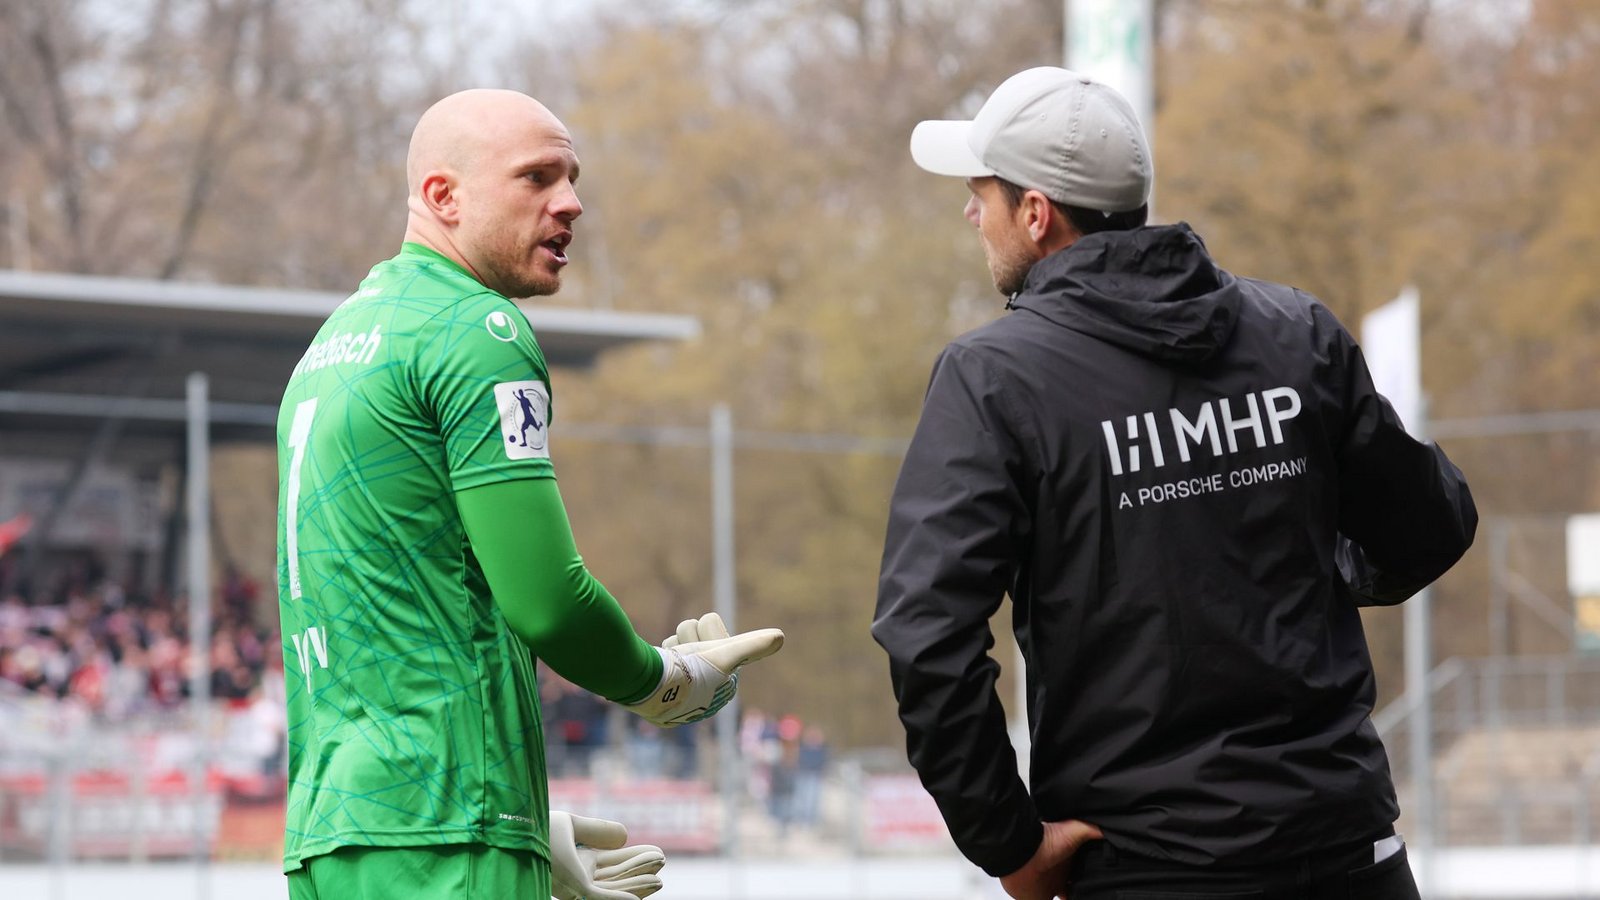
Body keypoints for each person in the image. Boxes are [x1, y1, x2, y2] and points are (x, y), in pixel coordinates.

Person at [873, 68, 1476, 900]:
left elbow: (925, 634)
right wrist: (1310, 577)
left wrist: (1007, 843)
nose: (971, 212)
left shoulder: (995, 381)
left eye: (983, 193)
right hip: (1349, 858)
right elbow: (1430, 525)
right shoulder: (1293, 334)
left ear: (1038, 214)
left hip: (1144, 870)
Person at [275, 88, 782, 899]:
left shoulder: (334, 345)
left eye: (573, 177)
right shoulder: (476, 331)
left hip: (339, 832)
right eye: (537, 177)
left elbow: (387, 612)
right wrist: (666, 685)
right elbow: (546, 600)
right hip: (447, 831)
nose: (572, 202)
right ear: (444, 196)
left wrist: (526, 819)